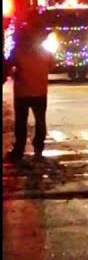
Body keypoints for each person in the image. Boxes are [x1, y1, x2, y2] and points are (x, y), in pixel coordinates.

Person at [6, 19, 52, 162]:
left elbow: (9, 66)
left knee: (21, 122)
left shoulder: (18, 51)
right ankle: (38, 148)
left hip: (22, 92)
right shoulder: (44, 52)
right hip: (39, 91)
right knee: (40, 121)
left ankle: (19, 150)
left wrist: (15, 74)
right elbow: (52, 65)